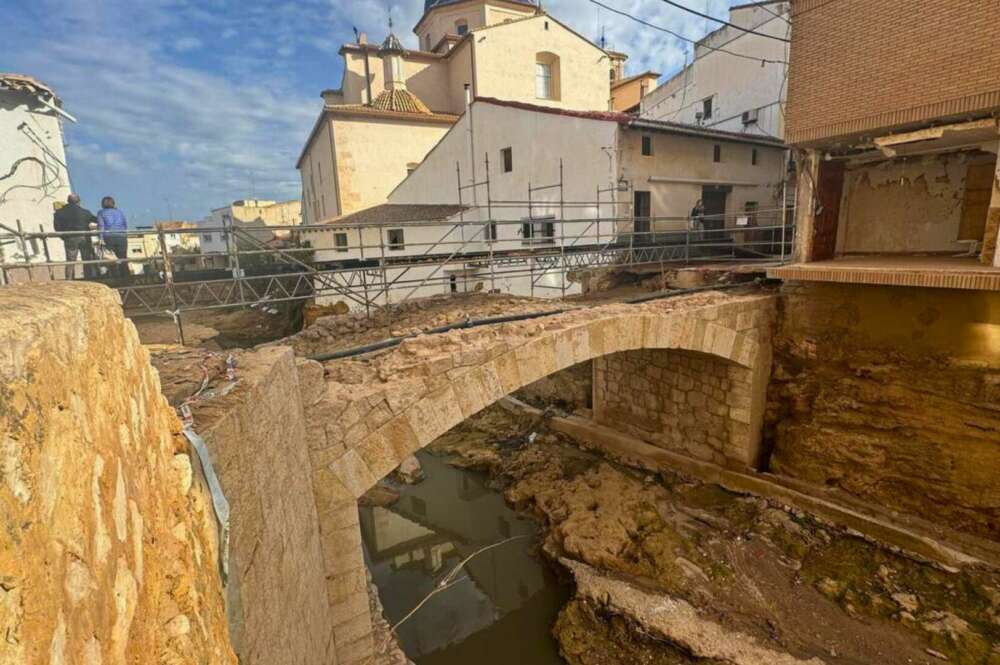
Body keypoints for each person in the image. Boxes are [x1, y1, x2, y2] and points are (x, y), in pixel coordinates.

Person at [53, 193, 97, 280]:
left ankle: (70, 280)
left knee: (70, 260)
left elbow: (57, 227)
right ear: (79, 202)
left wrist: (64, 236)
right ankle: (89, 280)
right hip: (84, 237)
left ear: (68, 201)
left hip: (70, 237)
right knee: (87, 259)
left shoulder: (59, 213)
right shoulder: (85, 212)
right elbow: (96, 220)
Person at [96, 196, 129, 279]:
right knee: (123, 258)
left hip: (109, 237)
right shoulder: (120, 212)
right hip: (121, 237)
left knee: (111, 259)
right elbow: (125, 225)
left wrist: (100, 238)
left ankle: (115, 278)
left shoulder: (101, 213)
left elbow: (101, 226)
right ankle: (126, 279)